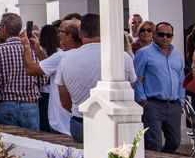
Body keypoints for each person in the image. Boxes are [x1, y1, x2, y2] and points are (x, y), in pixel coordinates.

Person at [56, 13, 138, 142]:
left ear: (80, 33)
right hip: (113, 121)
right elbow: (129, 90)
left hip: (81, 121)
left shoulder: (66, 59)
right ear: (104, 32)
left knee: (82, 155)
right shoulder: (123, 57)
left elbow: (65, 102)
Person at [20, 18, 81, 136]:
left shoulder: (61, 56)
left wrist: (26, 47)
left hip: (62, 122)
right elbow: (49, 66)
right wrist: (38, 50)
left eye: (61, 31)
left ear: (69, 36)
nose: (58, 35)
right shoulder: (77, 54)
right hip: (74, 120)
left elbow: (31, 69)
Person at [0, 13, 45, 131]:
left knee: (8, 141)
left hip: (7, 104)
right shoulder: (33, 49)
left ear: (4, 28)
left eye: (0, 26)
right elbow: (42, 79)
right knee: (32, 140)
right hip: (30, 105)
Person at [134, 22, 186, 153]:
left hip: (173, 105)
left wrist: (181, 101)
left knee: (174, 142)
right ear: (155, 35)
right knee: (154, 144)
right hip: (153, 104)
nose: (165, 38)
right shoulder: (143, 53)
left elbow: (181, 80)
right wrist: (142, 99)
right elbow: (136, 78)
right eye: (161, 34)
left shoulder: (177, 55)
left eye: (169, 35)